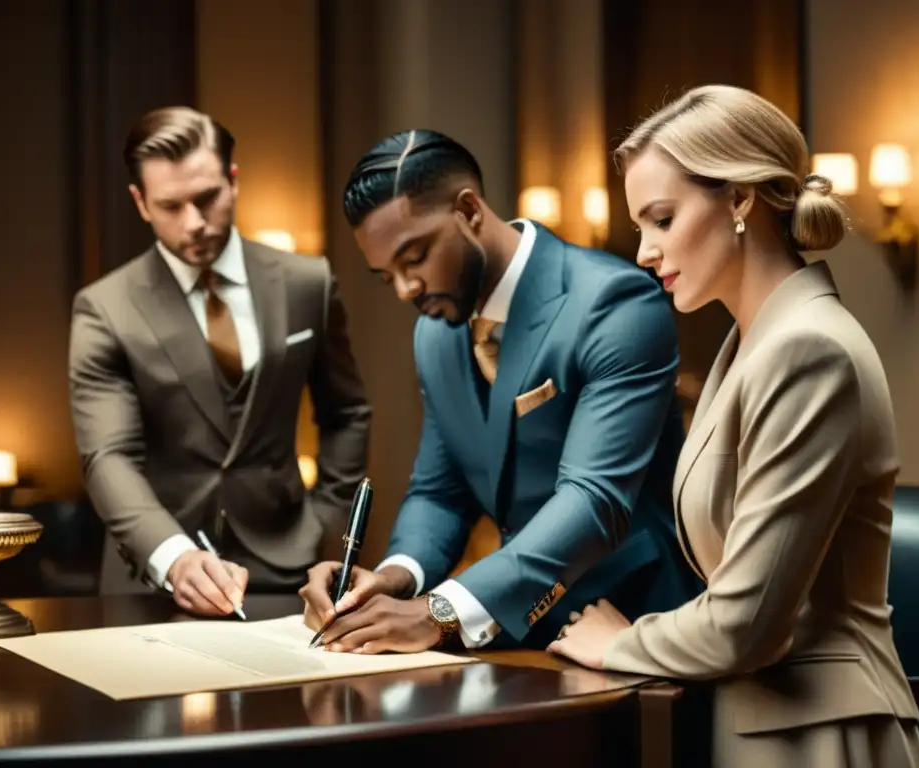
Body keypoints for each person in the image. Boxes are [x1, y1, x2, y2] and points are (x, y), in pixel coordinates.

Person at [547, 85, 919, 767]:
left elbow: (747, 623)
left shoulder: (808, 350)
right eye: (640, 226)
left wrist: (623, 642)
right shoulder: (749, 347)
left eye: (661, 219)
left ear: (739, 199)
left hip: (819, 737)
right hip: (757, 719)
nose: (644, 251)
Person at [299, 129, 701, 653]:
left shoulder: (615, 302)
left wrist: (442, 611)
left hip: (635, 626)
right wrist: (394, 578)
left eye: (415, 257)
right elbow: (440, 491)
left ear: (468, 211)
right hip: (512, 634)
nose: (405, 289)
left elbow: (594, 500)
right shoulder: (436, 333)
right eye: (386, 276)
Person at [68, 106, 371, 616]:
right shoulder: (105, 308)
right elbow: (109, 456)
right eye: (170, 205)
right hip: (152, 579)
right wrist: (173, 556)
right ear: (140, 203)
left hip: (289, 572)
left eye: (207, 198)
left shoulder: (306, 282)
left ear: (233, 181)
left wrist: (325, 524)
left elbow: (346, 413)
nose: (194, 223)